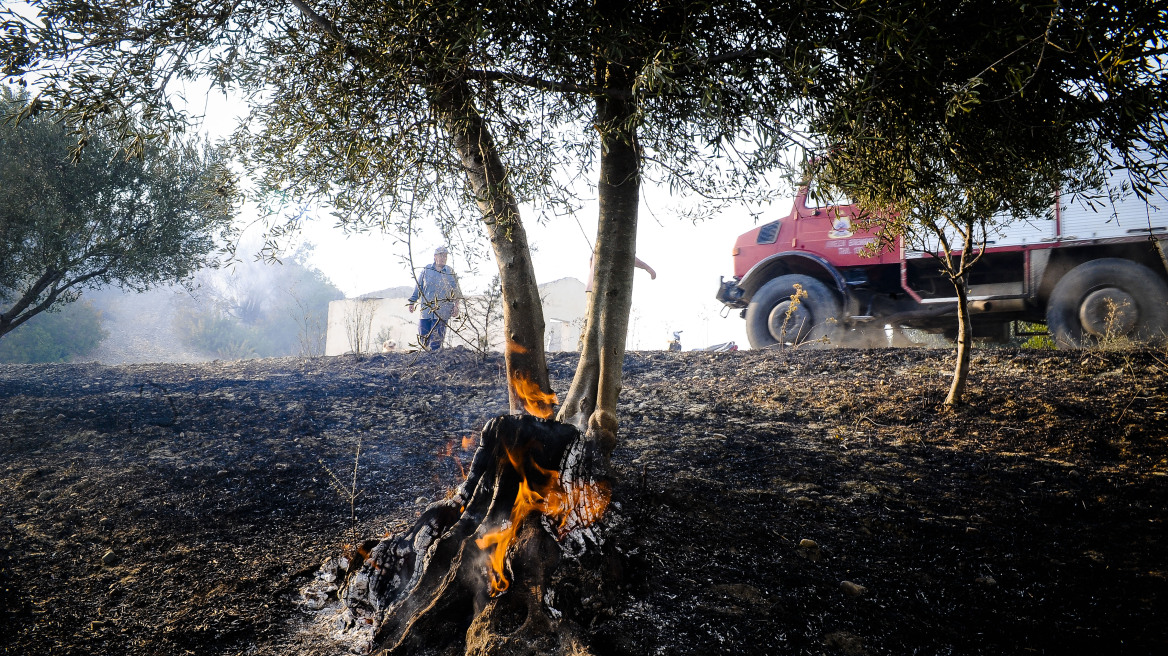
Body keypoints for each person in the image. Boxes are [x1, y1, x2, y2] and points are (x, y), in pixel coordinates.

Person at [408, 246, 462, 350]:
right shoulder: (426, 269)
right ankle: (425, 361)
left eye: (445, 256)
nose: (443, 258)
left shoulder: (450, 272)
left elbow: (457, 291)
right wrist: (412, 302)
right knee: (423, 340)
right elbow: (418, 287)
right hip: (426, 311)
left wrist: (456, 306)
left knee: (436, 343)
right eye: (441, 255)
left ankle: (435, 363)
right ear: (435, 257)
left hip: (442, 312)